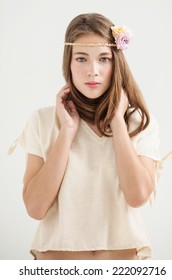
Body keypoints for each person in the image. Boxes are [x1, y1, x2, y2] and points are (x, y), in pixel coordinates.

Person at [15, 13, 162, 260]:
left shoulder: (136, 122)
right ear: (68, 64)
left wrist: (117, 122)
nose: (92, 71)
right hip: (56, 264)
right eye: (81, 59)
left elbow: (137, 197)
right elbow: (36, 208)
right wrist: (67, 133)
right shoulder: (42, 121)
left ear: (116, 63)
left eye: (103, 59)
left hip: (122, 264)